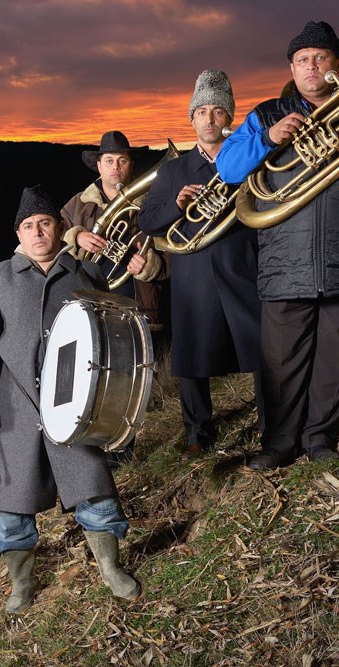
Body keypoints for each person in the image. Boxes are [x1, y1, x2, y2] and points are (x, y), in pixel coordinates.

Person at [0, 185, 140, 614]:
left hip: (73, 405)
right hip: (13, 408)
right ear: (19, 234)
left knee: (94, 490)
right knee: (11, 507)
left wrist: (112, 403)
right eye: (28, 226)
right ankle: (21, 585)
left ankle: (110, 568)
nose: (38, 232)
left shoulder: (83, 273)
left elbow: (109, 340)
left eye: (45, 223)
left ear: (60, 228)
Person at [216, 20, 339, 470]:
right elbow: (228, 168)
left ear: (334, 66)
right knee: (281, 364)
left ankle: (320, 438)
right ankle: (279, 444)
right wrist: (268, 139)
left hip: (337, 257)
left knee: (333, 363)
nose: (312, 66)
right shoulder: (267, 112)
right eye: (303, 60)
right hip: (285, 261)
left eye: (320, 58)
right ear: (292, 67)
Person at [138, 69, 264, 457]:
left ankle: (271, 419)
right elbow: (146, 219)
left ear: (230, 118)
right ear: (191, 119)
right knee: (192, 356)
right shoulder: (173, 170)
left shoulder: (246, 157)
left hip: (242, 264)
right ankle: (198, 432)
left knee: (260, 344)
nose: (210, 119)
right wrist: (176, 205)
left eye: (218, 111)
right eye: (202, 111)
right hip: (194, 272)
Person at [61, 130, 170, 344]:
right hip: (89, 301)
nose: (116, 166)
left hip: (138, 306)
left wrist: (151, 265)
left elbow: (174, 249)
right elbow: (52, 240)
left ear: (131, 165)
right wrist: (76, 237)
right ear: (99, 166)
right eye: (109, 161)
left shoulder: (152, 203)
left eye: (122, 160)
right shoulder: (78, 204)